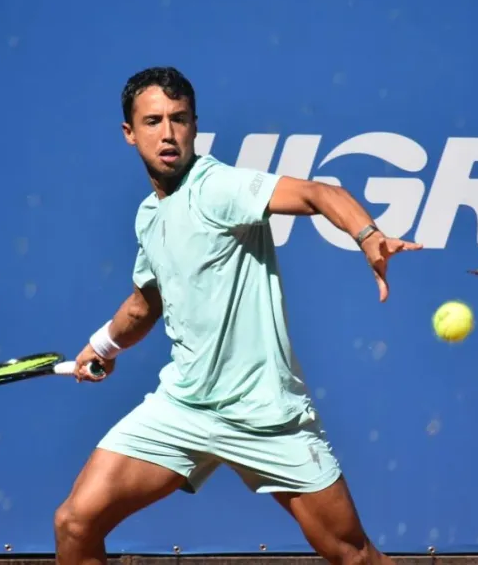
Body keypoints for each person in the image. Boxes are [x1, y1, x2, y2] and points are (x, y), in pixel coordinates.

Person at [53, 67, 422, 565]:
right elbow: (146, 304)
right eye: (154, 120)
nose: (168, 133)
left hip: (264, 413)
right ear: (129, 133)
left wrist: (367, 235)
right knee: (76, 522)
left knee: (353, 555)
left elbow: (319, 194)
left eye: (179, 119)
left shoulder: (219, 188)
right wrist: (102, 347)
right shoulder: (149, 215)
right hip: (184, 408)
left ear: (195, 126)